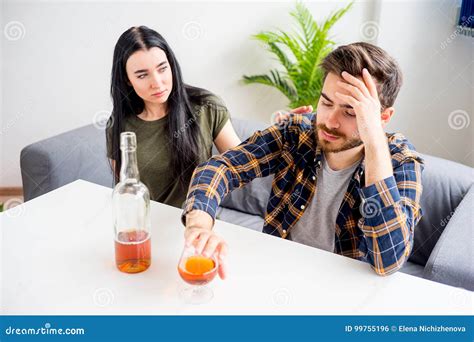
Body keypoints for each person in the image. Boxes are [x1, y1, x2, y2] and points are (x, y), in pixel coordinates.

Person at [181, 42, 424, 279]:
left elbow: (388, 262)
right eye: (326, 103)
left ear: (382, 118)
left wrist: (374, 143)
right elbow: (221, 167)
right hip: (277, 271)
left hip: (343, 292)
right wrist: (199, 226)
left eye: (351, 112)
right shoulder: (298, 132)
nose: (329, 121)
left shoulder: (400, 161)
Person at [106, 25, 242, 208]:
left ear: (171, 65)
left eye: (162, 69)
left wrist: (281, 131)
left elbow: (243, 166)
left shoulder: (206, 106)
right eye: (142, 75)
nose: (157, 83)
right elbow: (127, 192)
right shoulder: (119, 125)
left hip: (200, 225)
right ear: (127, 80)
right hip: (147, 225)